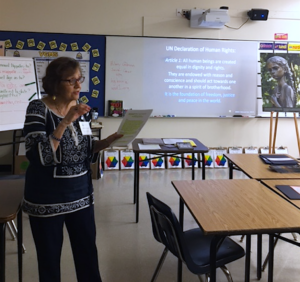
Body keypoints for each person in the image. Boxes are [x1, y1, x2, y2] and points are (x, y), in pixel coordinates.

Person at [22, 57, 122, 282]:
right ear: (56, 83)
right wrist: (65, 121)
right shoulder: (38, 108)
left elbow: (85, 151)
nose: (79, 86)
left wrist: (106, 142)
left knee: (87, 255)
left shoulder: (82, 110)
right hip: (47, 200)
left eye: (80, 79)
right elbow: (39, 157)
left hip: (81, 196)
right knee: (49, 260)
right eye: (72, 81)